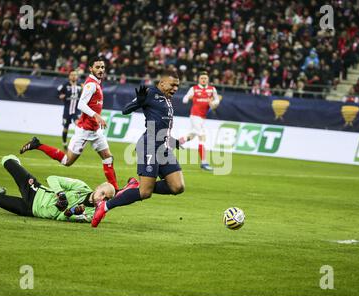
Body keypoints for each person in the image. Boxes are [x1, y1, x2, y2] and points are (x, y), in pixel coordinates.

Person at [90, 70, 185, 228]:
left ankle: (133, 187)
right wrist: (138, 101)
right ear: (161, 83)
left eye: (177, 86)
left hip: (163, 146)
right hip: (149, 146)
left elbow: (160, 123)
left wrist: (171, 140)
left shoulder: (167, 98)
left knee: (177, 187)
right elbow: (125, 110)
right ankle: (105, 206)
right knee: (144, 193)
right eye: (172, 85)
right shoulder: (149, 93)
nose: (175, 88)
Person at [19, 57, 120, 191]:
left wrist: (96, 117)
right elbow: (81, 104)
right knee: (67, 161)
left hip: (96, 131)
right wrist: (96, 115)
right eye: (98, 67)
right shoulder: (91, 85)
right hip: (85, 130)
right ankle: (37, 144)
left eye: (102, 67)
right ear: (91, 69)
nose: (101, 70)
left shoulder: (97, 83)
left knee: (108, 157)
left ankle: (115, 189)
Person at [0, 154, 117, 223]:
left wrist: (70, 211)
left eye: (106, 198)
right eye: (103, 193)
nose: (102, 198)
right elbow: (52, 178)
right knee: (7, 160)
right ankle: (17, 163)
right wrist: (60, 193)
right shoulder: (81, 187)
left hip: (29, 211)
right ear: (98, 187)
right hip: (35, 192)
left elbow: (60, 218)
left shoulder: (93, 214)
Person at [179, 71, 220, 171]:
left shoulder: (212, 89)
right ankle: (204, 163)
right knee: (202, 137)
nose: (203, 80)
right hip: (195, 116)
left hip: (202, 117)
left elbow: (217, 101)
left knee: (192, 136)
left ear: (208, 79)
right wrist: (188, 97)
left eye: (205, 78)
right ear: (199, 79)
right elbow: (184, 100)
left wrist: (213, 103)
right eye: (202, 78)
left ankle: (174, 143)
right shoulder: (194, 89)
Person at [57, 70, 82, 150]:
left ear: (77, 76)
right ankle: (64, 143)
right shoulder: (65, 85)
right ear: (69, 76)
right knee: (65, 128)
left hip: (76, 111)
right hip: (67, 110)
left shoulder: (80, 86)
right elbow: (58, 93)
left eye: (75, 75)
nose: (74, 76)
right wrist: (60, 96)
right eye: (72, 75)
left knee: (78, 126)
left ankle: (77, 145)